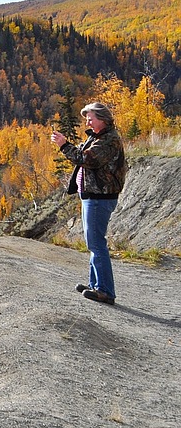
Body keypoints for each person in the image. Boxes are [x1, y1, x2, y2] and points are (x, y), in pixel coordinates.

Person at [50, 101, 127, 304]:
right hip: (92, 196)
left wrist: (64, 145)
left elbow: (87, 159)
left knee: (96, 243)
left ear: (102, 119)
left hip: (99, 197)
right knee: (93, 242)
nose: (88, 122)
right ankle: (96, 285)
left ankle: (105, 291)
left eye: (90, 118)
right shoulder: (99, 137)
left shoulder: (109, 140)